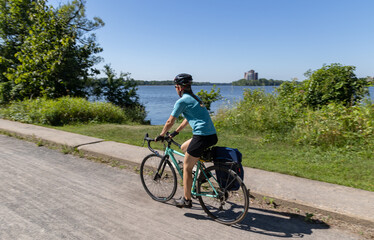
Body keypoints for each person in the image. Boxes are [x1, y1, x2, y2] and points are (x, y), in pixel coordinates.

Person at [155, 73, 218, 208]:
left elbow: (170, 120)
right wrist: (176, 132)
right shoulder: (195, 98)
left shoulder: (182, 101)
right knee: (184, 147)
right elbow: (188, 118)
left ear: (179, 87)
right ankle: (200, 172)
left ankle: (186, 200)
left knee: (186, 167)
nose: (176, 89)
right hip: (211, 136)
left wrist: (162, 134)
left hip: (201, 137)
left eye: (175, 87)